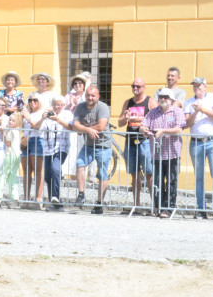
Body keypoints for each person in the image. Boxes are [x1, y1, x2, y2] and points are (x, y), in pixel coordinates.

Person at [141, 88, 186, 218]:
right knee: (157, 182)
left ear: (171, 99)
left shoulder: (177, 111)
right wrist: (143, 129)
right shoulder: (153, 112)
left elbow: (179, 129)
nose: (163, 99)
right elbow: (143, 125)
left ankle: (168, 209)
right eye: (161, 96)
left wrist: (163, 131)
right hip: (156, 153)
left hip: (172, 153)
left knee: (171, 182)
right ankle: (158, 207)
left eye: (166, 97)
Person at [184, 77, 213, 219]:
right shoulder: (189, 102)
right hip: (196, 142)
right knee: (199, 176)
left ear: (205, 87)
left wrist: (202, 109)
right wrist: (195, 112)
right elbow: (187, 123)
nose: (196, 88)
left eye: (199, 86)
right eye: (194, 86)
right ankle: (201, 208)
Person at [117, 77, 156, 210]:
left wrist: (139, 119)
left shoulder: (150, 101)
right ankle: (136, 204)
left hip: (145, 141)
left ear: (144, 87)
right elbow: (120, 123)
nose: (135, 88)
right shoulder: (128, 102)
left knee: (149, 174)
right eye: (133, 86)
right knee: (134, 174)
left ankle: (154, 205)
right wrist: (126, 118)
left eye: (138, 86)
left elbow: (157, 120)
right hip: (131, 141)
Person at [72, 85, 112, 214]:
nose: (90, 98)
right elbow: (75, 125)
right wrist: (88, 129)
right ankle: (81, 194)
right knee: (79, 164)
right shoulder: (80, 107)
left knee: (102, 174)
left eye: (93, 95)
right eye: (88, 95)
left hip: (103, 144)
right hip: (88, 144)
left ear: (98, 96)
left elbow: (101, 126)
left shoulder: (102, 107)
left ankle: (99, 203)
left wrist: (84, 129)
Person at [41, 96, 73, 210]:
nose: (57, 107)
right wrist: (42, 117)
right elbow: (40, 127)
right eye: (55, 104)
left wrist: (58, 119)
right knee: (48, 175)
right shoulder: (48, 114)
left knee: (55, 169)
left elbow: (70, 127)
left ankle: (55, 196)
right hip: (47, 149)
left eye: (59, 104)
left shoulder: (67, 114)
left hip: (61, 148)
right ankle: (55, 203)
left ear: (63, 105)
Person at [22, 92, 47, 208]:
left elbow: (37, 127)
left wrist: (27, 118)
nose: (32, 102)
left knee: (37, 171)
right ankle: (26, 199)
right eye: (30, 100)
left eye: (35, 100)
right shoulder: (25, 113)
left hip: (37, 140)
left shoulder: (41, 113)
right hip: (26, 141)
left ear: (39, 102)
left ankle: (38, 198)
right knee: (26, 171)